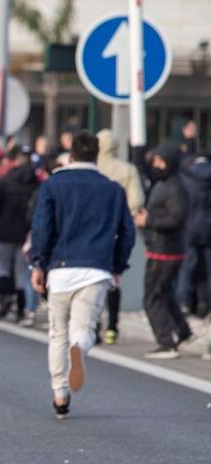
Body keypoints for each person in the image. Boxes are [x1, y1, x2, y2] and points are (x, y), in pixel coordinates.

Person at [30, 132, 135, 419]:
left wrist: (38, 264)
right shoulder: (113, 189)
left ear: (71, 154)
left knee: (57, 332)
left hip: (61, 269)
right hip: (96, 268)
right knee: (84, 329)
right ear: (97, 155)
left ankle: (60, 393)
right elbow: (127, 232)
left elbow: (42, 228)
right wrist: (117, 266)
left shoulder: (53, 185)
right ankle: (81, 348)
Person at [137, 145, 193, 359]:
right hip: (161, 247)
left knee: (152, 297)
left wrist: (148, 220)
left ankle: (165, 341)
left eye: (160, 161)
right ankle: (183, 332)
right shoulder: (165, 183)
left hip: (165, 250)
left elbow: (176, 218)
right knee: (165, 293)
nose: (156, 166)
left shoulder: (175, 186)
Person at [96, 129, 145, 344]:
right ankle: (113, 326)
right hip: (117, 229)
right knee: (114, 278)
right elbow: (136, 201)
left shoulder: (92, 170)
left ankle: (94, 323)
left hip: (92, 231)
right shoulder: (127, 170)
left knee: (92, 280)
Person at [0, 146, 38, 322]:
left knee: (2, 266)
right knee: (21, 272)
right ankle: (21, 308)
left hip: (4, 230)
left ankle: (5, 295)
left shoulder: (5, 180)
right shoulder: (35, 183)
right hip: (26, 232)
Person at [177, 151, 211, 316]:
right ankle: (205, 301)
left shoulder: (186, 177)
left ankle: (185, 301)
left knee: (188, 266)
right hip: (208, 227)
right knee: (208, 266)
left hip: (190, 227)